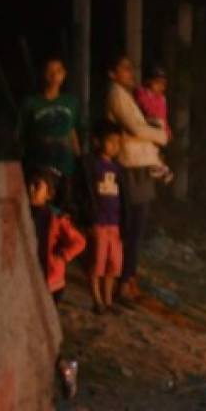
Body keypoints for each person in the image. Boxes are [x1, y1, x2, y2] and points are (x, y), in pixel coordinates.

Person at [105, 54, 169, 304]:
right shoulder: (116, 95)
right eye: (125, 68)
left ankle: (128, 277)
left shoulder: (128, 95)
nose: (131, 73)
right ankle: (123, 280)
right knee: (132, 227)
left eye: (131, 68)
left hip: (141, 164)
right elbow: (135, 128)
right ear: (112, 73)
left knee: (137, 228)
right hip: (131, 165)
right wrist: (161, 135)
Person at [74, 119, 129, 315]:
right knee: (97, 260)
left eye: (118, 143)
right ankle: (96, 300)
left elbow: (124, 198)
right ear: (97, 141)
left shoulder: (118, 169)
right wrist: (86, 218)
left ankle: (108, 300)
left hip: (114, 223)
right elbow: (81, 194)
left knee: (113, 263)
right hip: (97, 222)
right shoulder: (89, 165)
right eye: (111, 141)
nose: (115, 146)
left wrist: (124, 223)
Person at [21, 56, 81, 209]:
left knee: (66, 210)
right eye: (50, 71)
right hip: (41, 166)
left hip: (66, 165)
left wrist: (79, 158)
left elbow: (72, 131)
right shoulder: (31, 103)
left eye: (59, 71)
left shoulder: (71, 102)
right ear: (43, 74)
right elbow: (22, 134)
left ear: (64, 74)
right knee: (41, 209)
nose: (55, 76)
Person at [27, 169, 86, 304]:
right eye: (29, 185)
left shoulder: (56, 218)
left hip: (51, 281)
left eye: (37, 185)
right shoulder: (22, 214)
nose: (31, 189)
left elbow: (79, 241)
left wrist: (62, 255)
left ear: (49, 194)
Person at [134, 65, 174, 183]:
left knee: (160, 146)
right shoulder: (141, 93)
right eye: (157, 83)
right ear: (148, 81)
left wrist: (167, 130)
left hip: (158, 127)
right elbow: (145, 107)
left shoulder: (162, 99)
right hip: (147, 123)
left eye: (163, 84)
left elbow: (163, 116)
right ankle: (155, 166)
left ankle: (158, 165)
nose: (161, 87)